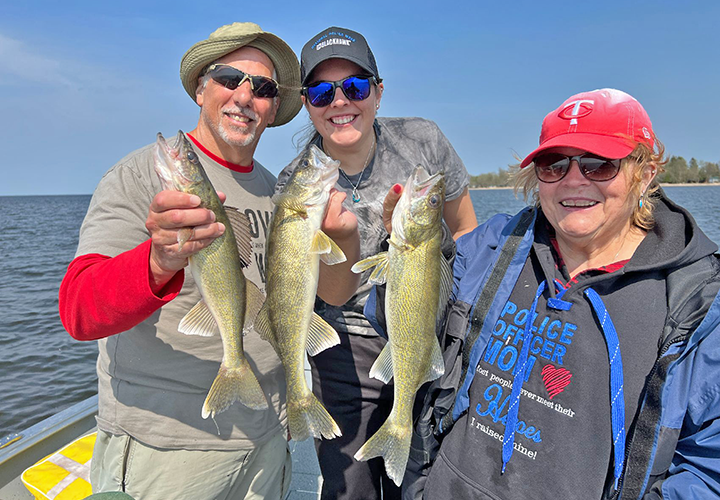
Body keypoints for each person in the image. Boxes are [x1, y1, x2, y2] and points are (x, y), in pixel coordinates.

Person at [58, 22, 359, 500]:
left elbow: (331, 294)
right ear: (200, 88)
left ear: (273, 106)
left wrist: (346, 242)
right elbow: (79, 311)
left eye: (262, 88)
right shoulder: (139, 176)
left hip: (270, 440)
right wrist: (157, 263)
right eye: (228, 78)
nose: (244, 96)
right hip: (171, 450)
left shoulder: (277, 189)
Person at [379, 88, 720, 499]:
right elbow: (394, 322)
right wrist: (410, 256)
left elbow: (707, 465)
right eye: (553, 164)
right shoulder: (492, 246)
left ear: (644, 173)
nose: (574, 180)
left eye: (599, 165)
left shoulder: (699, 303)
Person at [275, 26, 478, 500]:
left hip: (431, 326)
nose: (340, 101)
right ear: (307, 103)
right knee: (351, 487)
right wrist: (343, 239)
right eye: (323, 92)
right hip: (346, 346)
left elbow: (468, 234)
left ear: (379, 92)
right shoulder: (297, 185)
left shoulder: (423, 142)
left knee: (433, 473)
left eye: (356, 86)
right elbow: (335, 294)